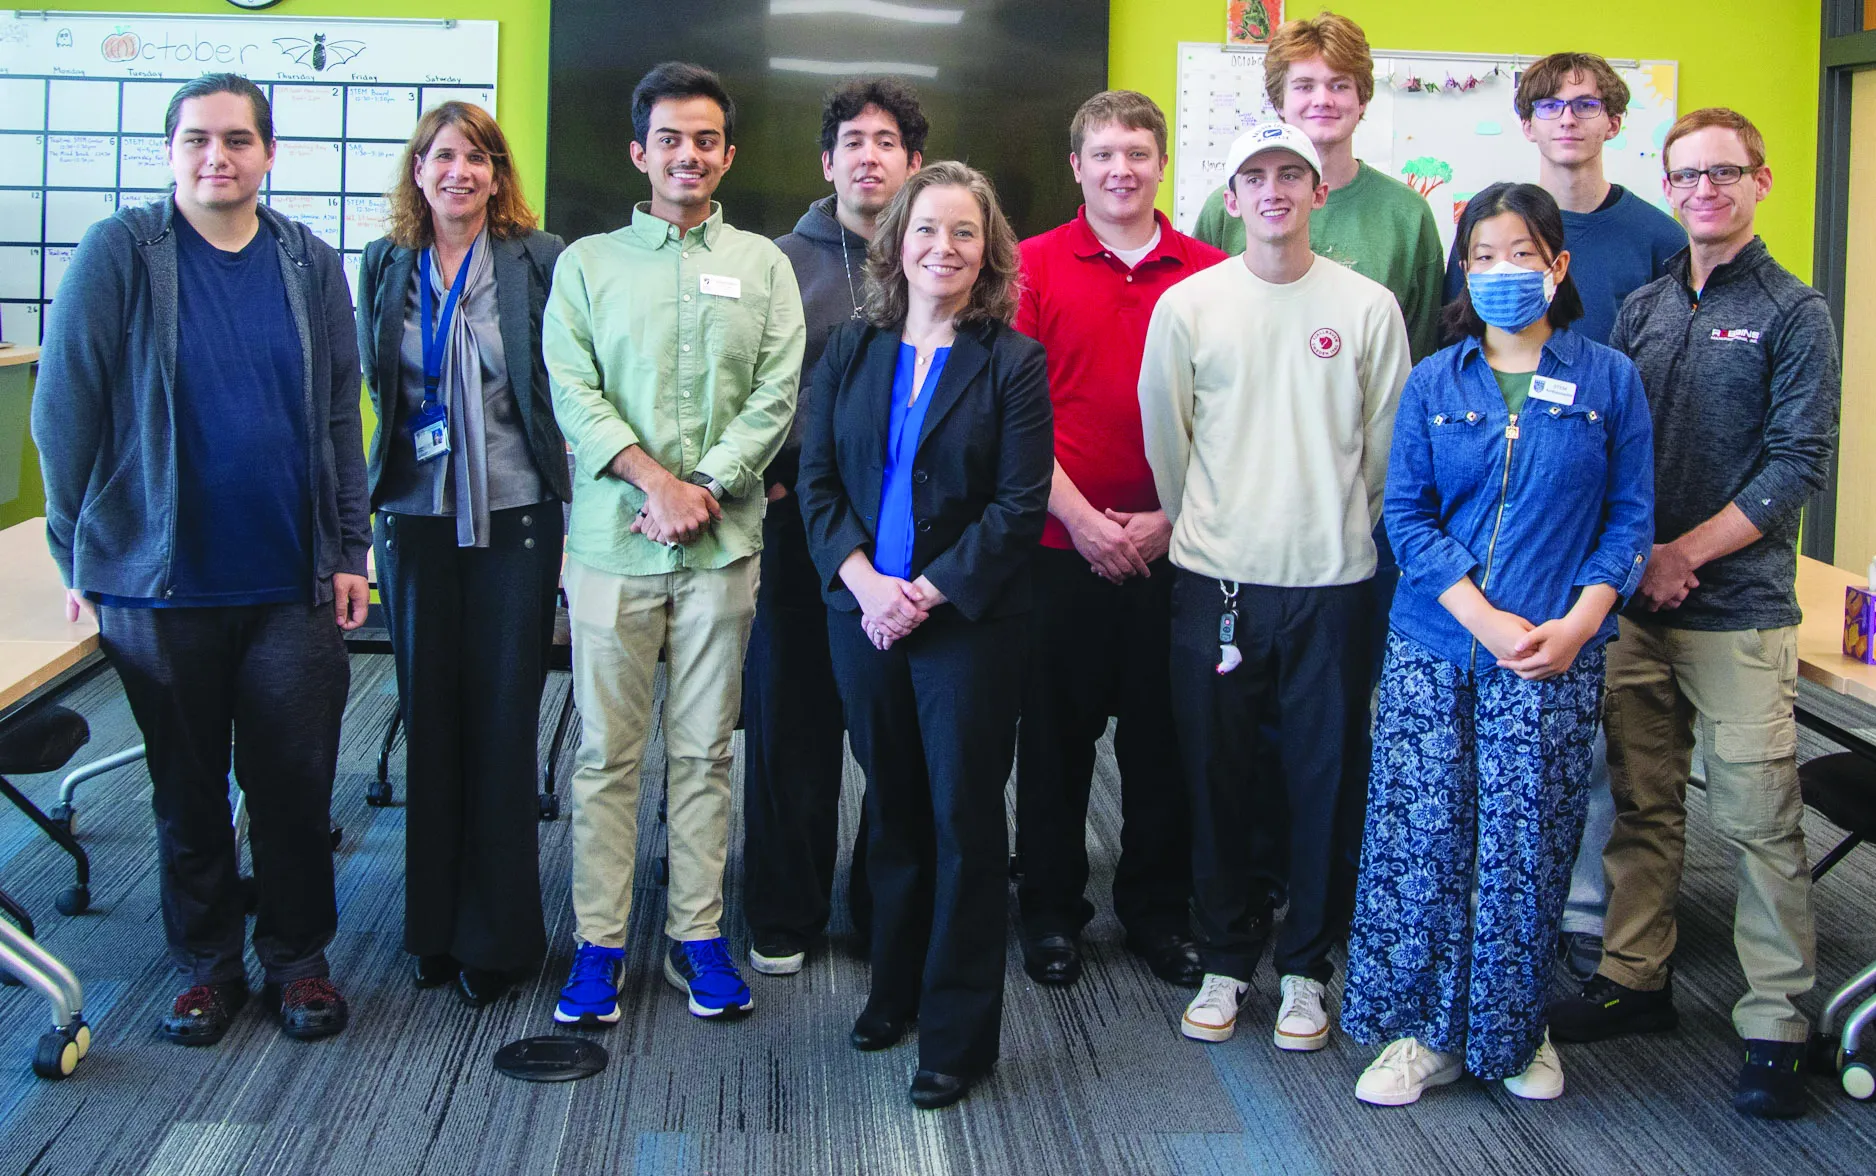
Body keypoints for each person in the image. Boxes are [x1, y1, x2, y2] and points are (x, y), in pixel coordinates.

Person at [32, 73, 367, 1045]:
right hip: (158, 583)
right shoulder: (123, 253)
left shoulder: (306, 261)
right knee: (186, 791)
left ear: (268, 154)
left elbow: (342, 414)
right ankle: (206, 968)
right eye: (195, 140)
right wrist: (76, 549)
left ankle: (298, 962)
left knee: (295, 792)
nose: (215, 156)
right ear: (170, 151)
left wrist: (348, 547)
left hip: (287, 579)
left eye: (236, 140)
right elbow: (65, 410)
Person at [1547, 108, 1841, 1121]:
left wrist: (1685, 554)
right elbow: (1614, 450)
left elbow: (1795, 464)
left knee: (1759, 820)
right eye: (1685, 176)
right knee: (1642, 802)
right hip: (1639, 604)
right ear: (1666, 188)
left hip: (1738, 610)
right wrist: (1637, 561)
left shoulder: (1794, 311)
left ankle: (1775, 1022)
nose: (1703, 190)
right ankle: (1635, 978)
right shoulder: (1643, 307)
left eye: (1723, 173)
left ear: (1760, 179)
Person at [1340, 183, 1655, 1107]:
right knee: (1424, 840)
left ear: (1558, 266)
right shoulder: (1437, 379)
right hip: (1438, 648)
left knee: (1526, 848)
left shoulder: (1608, 380)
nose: (1503, 272)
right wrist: (1480, 616)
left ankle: (1518, 1032)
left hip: (1557, 654)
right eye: (1483, 256)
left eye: (1523, 253)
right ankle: (1420, 1034)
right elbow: (1407, 515)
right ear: (1464, 273)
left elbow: (1629, 517)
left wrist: (1583, 620)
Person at [1139, 123, 1410, 1054]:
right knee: (1218, 780)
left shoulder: (1369, 307)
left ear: (1318, 190)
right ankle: (1223, 959)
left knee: (1323, 783)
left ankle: (1304, 970)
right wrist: (1215, 529)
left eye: (1290, 173)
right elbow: (1167, 444)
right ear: (1232, 196)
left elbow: (1383, 455)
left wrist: (1331, 528)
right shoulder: (1189, 304)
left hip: (1333, 584)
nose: (1273, 191)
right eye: (1254, 175)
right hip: (1216, 580)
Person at [544, 62, 804, 1028]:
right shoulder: (587, 264)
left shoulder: (766, 265)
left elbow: (777, 392)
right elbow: (572, 391)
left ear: (726, 154)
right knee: (607, 757)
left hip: (723, 551)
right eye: (669, 139)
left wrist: (708, 488)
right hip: (613, 547)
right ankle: (599, 948)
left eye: (705, 140)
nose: (687, 155)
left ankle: (698, 937)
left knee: (703, 755)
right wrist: (657, 484)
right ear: (638, 152)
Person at [796, 161, 1052, 1109]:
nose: (943, 249)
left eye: (964, 234)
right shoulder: (850, 351)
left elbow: (1020, 508)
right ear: (895, 241)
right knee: (892, 812)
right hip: (862, 615)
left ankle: (956, 1035)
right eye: (926, 230)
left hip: (966, 627)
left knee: (963, 824)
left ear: (988, 253)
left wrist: (925, 595)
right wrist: (866, 584)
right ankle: (892, 991)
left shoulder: (1011, 362)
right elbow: (818, 485)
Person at [1451, 52, 1689, 986]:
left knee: (1597, 750)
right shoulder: (1488, 223)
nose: (1568, 119)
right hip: (1495, 532)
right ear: (1528, 120)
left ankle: (1584, 919)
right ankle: (1493, 918)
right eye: (1550, 104)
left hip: (1599, 531)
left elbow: (1659, 395)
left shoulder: (1655, 234)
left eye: (1587, 104)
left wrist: (1628, 559)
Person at [354, 101, 568, 1007]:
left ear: (497, 174)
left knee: (502, 718)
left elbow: (561, 383)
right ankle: (432, 928)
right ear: (418, 170)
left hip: (517, 516)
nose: (460, 172)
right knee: (429, 718)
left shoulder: (539, 258)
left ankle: (498, 936)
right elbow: (373, 383)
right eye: (443, 156)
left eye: (478, 158)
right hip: (412, 517)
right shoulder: (385, 263)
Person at [1012, 90, 1224, 991]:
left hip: (1179, 553)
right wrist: (1085, 521)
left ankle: (1157, 914)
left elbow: (1231, 420)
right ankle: (1052, 914)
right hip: (1060, 552)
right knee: (1054, 748)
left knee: (1162, 745)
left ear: (1162, 163)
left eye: (1137, 152)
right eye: (1102, 153)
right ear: (1076, 166)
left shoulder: (1214, 271)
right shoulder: (1027, 266)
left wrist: (1171, 518)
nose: (1121, 169)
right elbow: (1016, 420)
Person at [743, 77, 927, 976]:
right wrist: (771, 481)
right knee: (792, 722)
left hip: (903, 538)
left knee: (892, 731)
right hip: (796, 530)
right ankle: (786, 909)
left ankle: (882, 907)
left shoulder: (936, 256)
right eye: (852, 140)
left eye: (887, 141)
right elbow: (745, 389)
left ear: (912, 163)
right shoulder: (775, 261)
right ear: (828, 162)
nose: (869, 155)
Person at [1190, 11, 1442, 362]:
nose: (1323, 99)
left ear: (1363, 100)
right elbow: (1197, 324)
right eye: (1305, 86)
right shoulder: (1227, 208)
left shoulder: (1408, 215)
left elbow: (1422, 353)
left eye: (1339, 85)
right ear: (1279, 101)